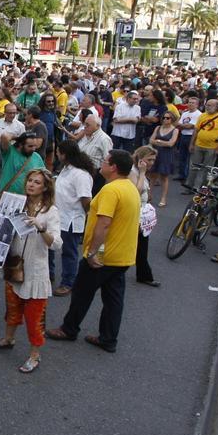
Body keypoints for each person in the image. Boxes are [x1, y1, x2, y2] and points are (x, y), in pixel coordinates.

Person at [46, 150, 141, 353]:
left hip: (104, 256)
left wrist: (92, 253)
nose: (101, 164)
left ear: (113, 167)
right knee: (113, 299)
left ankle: (69, 329)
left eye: (105, 161)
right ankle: (108, 339)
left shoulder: (110, 190)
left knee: (81, 293)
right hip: (122, 256)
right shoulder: (129, 187)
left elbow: (104, 224)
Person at [0, 168, 60, 372]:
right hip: (14, 265)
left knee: (34, 318)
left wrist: (41, 228)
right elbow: (2, 231)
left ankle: (35, 355)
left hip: (36, 273)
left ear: (45, 187)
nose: (31, 184)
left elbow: (56, 244)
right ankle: (8, 339)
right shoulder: (17, 204)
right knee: (12, 308)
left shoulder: (50, 211)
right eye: (30, 181)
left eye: (37, 182)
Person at [54, 140, 95, 297]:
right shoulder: (65, 169)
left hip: (71, 220)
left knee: (69, 252)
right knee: (51, 247)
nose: (56, 154)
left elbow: (86, 200)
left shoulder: (81, 175)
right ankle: (50, 274)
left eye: (58, 152)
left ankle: (68, 283)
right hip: (58, 217)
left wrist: (88, 219)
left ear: (64, 154)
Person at [130, 146, 160, 288]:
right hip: (133, 215)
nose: (151, 163)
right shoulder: (133, 172)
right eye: (149, 159)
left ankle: (144, 275)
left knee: (141, 246)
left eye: (153, 160)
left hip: (141, 216)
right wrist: (142, 173)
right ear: (141, 159)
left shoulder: (141, 171)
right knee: (138, 246)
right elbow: (136, 191)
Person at [187, 98, 218, 190]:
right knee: (194, 166)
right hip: (199, 144)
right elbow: (196, 130)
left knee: (207, 169)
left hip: (212, 147)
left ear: (217, 107)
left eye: (210, 105)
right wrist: (192, 144)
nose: (207, 107)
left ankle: (203, 188)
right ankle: (189, 186)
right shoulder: (202, 116)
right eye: (207, 105)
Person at [149, 111, 179, 207]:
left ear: (172, 119)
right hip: (155, 153)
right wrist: (163, 142)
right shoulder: (158, 128)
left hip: (166, 155)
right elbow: (151, 140)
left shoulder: (175, 130)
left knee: (164, 177)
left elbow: (171, 143)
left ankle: (163, 198)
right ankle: (148, 195)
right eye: (164, 117)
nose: (165, 119)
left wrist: (158, 141)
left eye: (168, 118)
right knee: (152, 175)